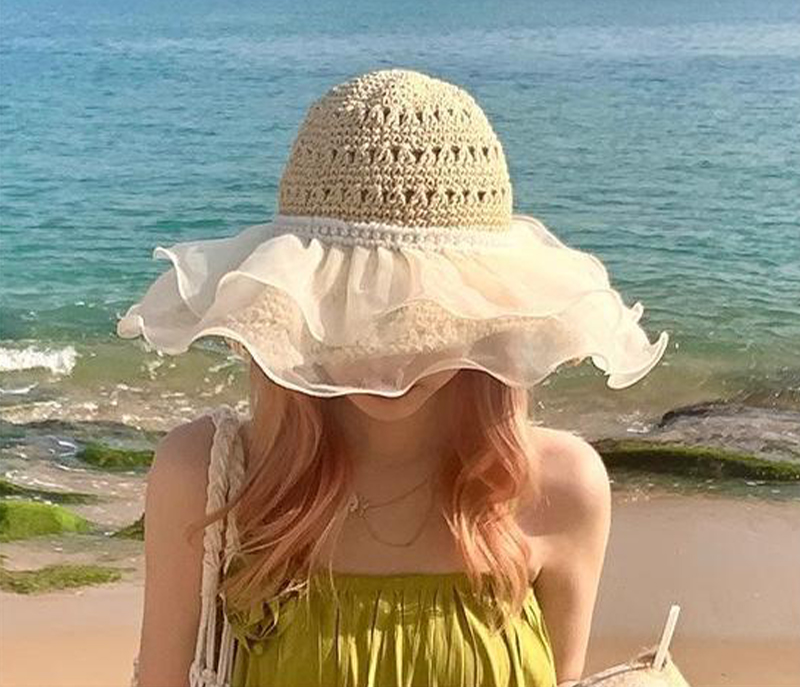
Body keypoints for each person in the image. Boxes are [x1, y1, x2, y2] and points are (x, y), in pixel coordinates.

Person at [117, 68, 669, 687]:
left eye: (424, 317)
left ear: (487, 309)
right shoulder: (210, 480)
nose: (387, 359)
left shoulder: (560, 489)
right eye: (351, 312)